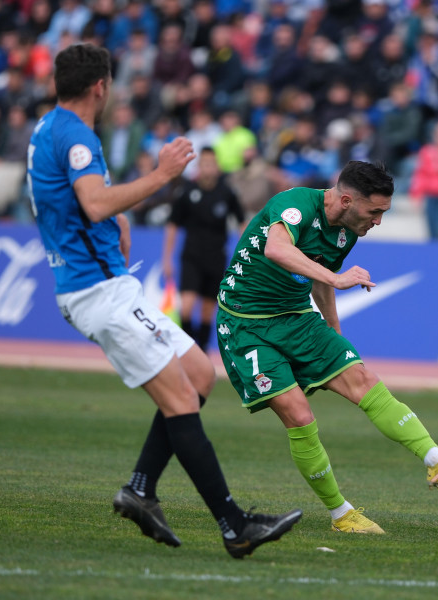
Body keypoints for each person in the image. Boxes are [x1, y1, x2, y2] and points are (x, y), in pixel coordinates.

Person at [27, 43, 301, 560]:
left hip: (106, 281)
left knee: (199, 376)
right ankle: (234, 525)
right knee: (179, 401)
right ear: (100, 87)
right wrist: (161, 175)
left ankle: (140, 489)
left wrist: (117, 221)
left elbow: (69, 203)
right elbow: (91, 200)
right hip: (97, 289)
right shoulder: (77, 136)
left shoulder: (49, 130)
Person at [215, 160, 438, 535]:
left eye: (383, 213)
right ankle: (341, 515)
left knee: (362, 378)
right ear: (345, 200)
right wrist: (337, 278)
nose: (378, 221)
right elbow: (277, 249)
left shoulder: (346, 231)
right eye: (374, 212)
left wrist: (334, 332)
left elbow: (319, 278)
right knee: (299, 414)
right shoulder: (295, 205)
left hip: (295, 317)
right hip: (246, 325)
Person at [163, 146, 245, 349]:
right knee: (187, 307)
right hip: (191, 256)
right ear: (199, 167)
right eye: (204, 164)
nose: (208, 168)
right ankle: (187, 349)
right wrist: (167, 258)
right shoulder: (187, 191)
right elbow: (173, 225)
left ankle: (202, 353)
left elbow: (241, 223)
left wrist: (245, 254)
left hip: (216, 257)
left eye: (212, 164)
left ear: (217, 167)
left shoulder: (227, 193)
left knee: (208, 310)